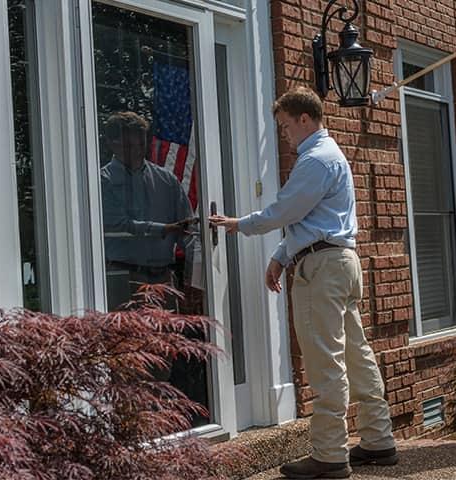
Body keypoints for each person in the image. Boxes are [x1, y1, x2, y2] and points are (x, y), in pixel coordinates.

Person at [210, 87, 397, 479]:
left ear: (304, 120)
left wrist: (237, 225)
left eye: (285, 126)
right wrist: (280, 257)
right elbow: (309, 221)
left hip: (322, 270)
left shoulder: (315, 159)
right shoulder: (331, 156)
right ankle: (378, 440)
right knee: (355, 354)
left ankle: (330, 454)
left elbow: (284, 211)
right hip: (340, 262)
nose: (284, 135)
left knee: (325, 360)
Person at [99, 111, 196, 309]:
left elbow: (189, 233)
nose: (136, 151)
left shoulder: (167, 181)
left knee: (168, 337)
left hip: (163, 278)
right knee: (127, 338)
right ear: (112, 143)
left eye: (141, 145)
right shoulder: (102, 181)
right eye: (129, 146)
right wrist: (165, 229)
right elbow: (118, 224)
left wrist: (193, 280)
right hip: (122, 277)